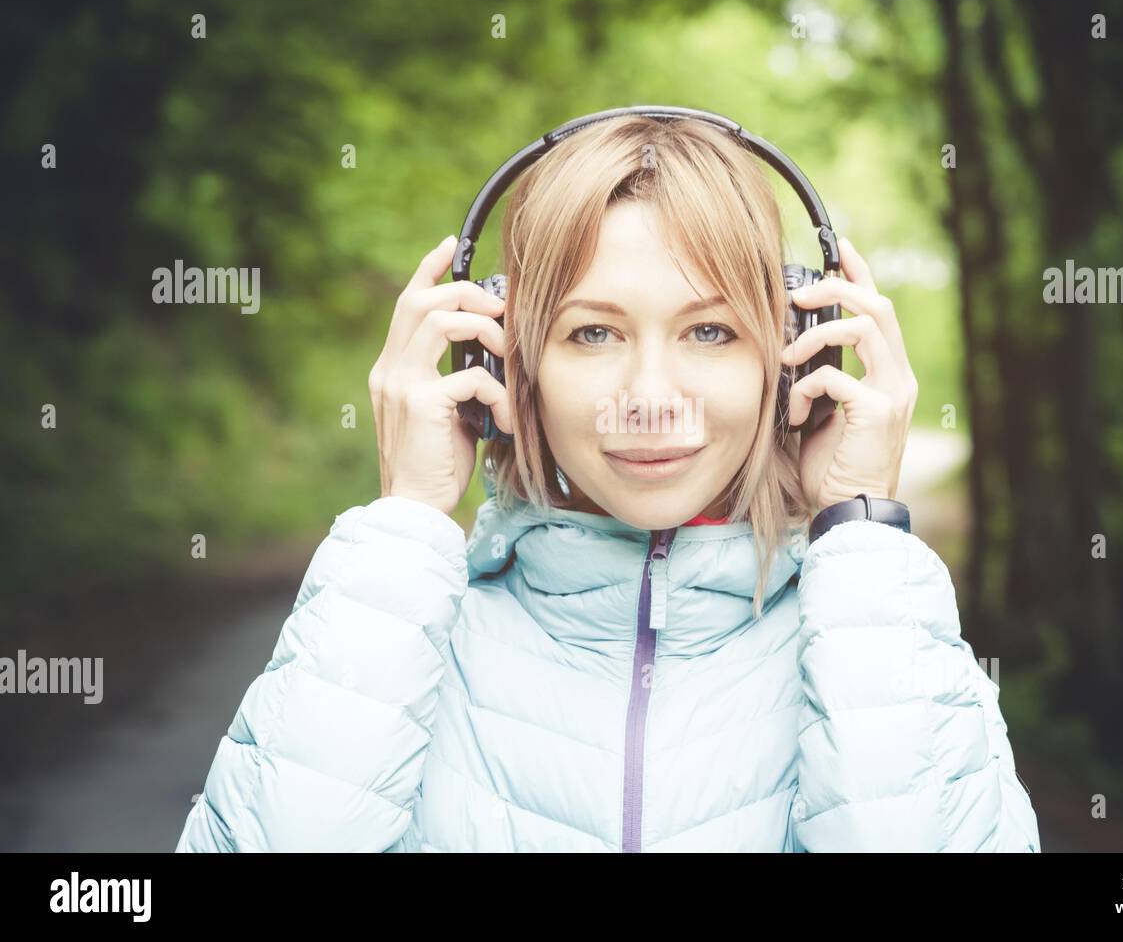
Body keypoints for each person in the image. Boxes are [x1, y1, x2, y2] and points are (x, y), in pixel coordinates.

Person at [175, 114, 1041, 852]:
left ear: (794, 357)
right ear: (502, 357)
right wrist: (404, 523)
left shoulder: (870, 628)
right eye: (594, 334)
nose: (651, 399)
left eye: (709, 332)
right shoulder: (400, 632)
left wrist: (858, 534)